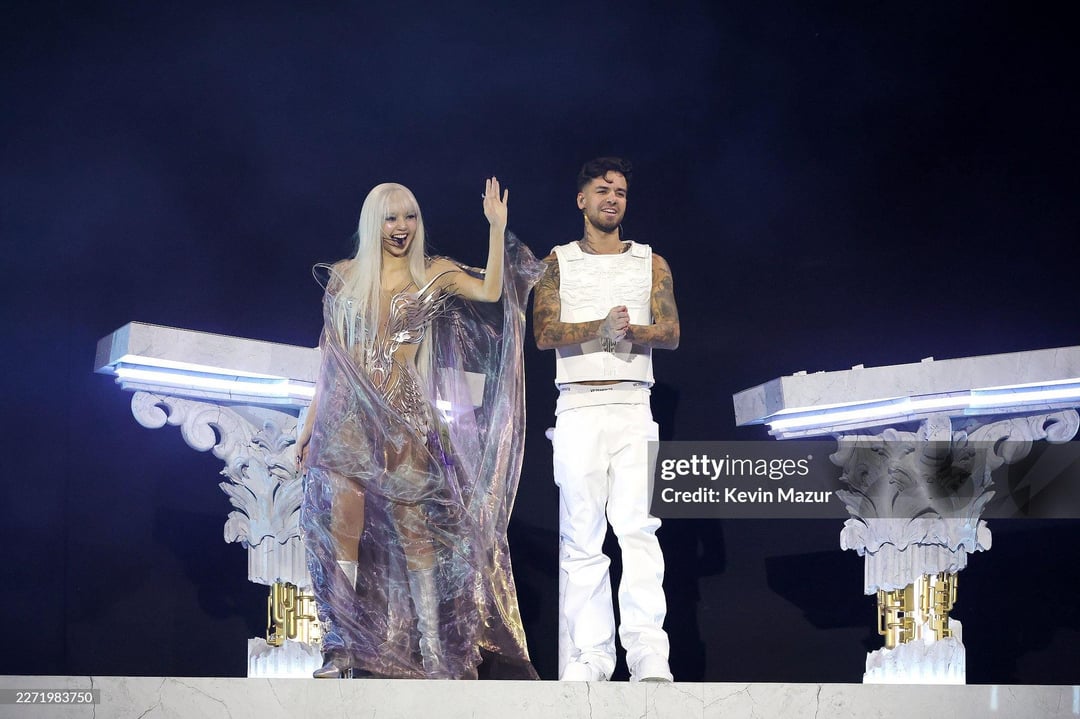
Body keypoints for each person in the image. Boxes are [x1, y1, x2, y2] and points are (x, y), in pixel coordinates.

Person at [297, 178, 542, 680]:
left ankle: (433, 653)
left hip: (403, 416)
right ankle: (339, 645)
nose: (401, 227)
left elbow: (491, 291)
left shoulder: (432, 273)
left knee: (415, 531)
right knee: (342, 527)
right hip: (347, 418)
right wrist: (309, 424)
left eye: (409, 216)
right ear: (374, 222)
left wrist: (496, 229)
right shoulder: (344, 277)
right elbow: (330, 360)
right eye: (391, 218)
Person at [533, 157, 680, 682]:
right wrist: (600, 327)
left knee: (638, 529)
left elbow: (671, 331)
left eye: (618, 191)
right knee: (582, 535)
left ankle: (648, 654)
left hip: (633, 404)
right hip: (578, 406)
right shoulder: (557, 262)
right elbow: (544, 333)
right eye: (602, 190)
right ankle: (590, 655)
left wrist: (631, 332)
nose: (611, 198)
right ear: (582, 200)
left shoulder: (650, 262)